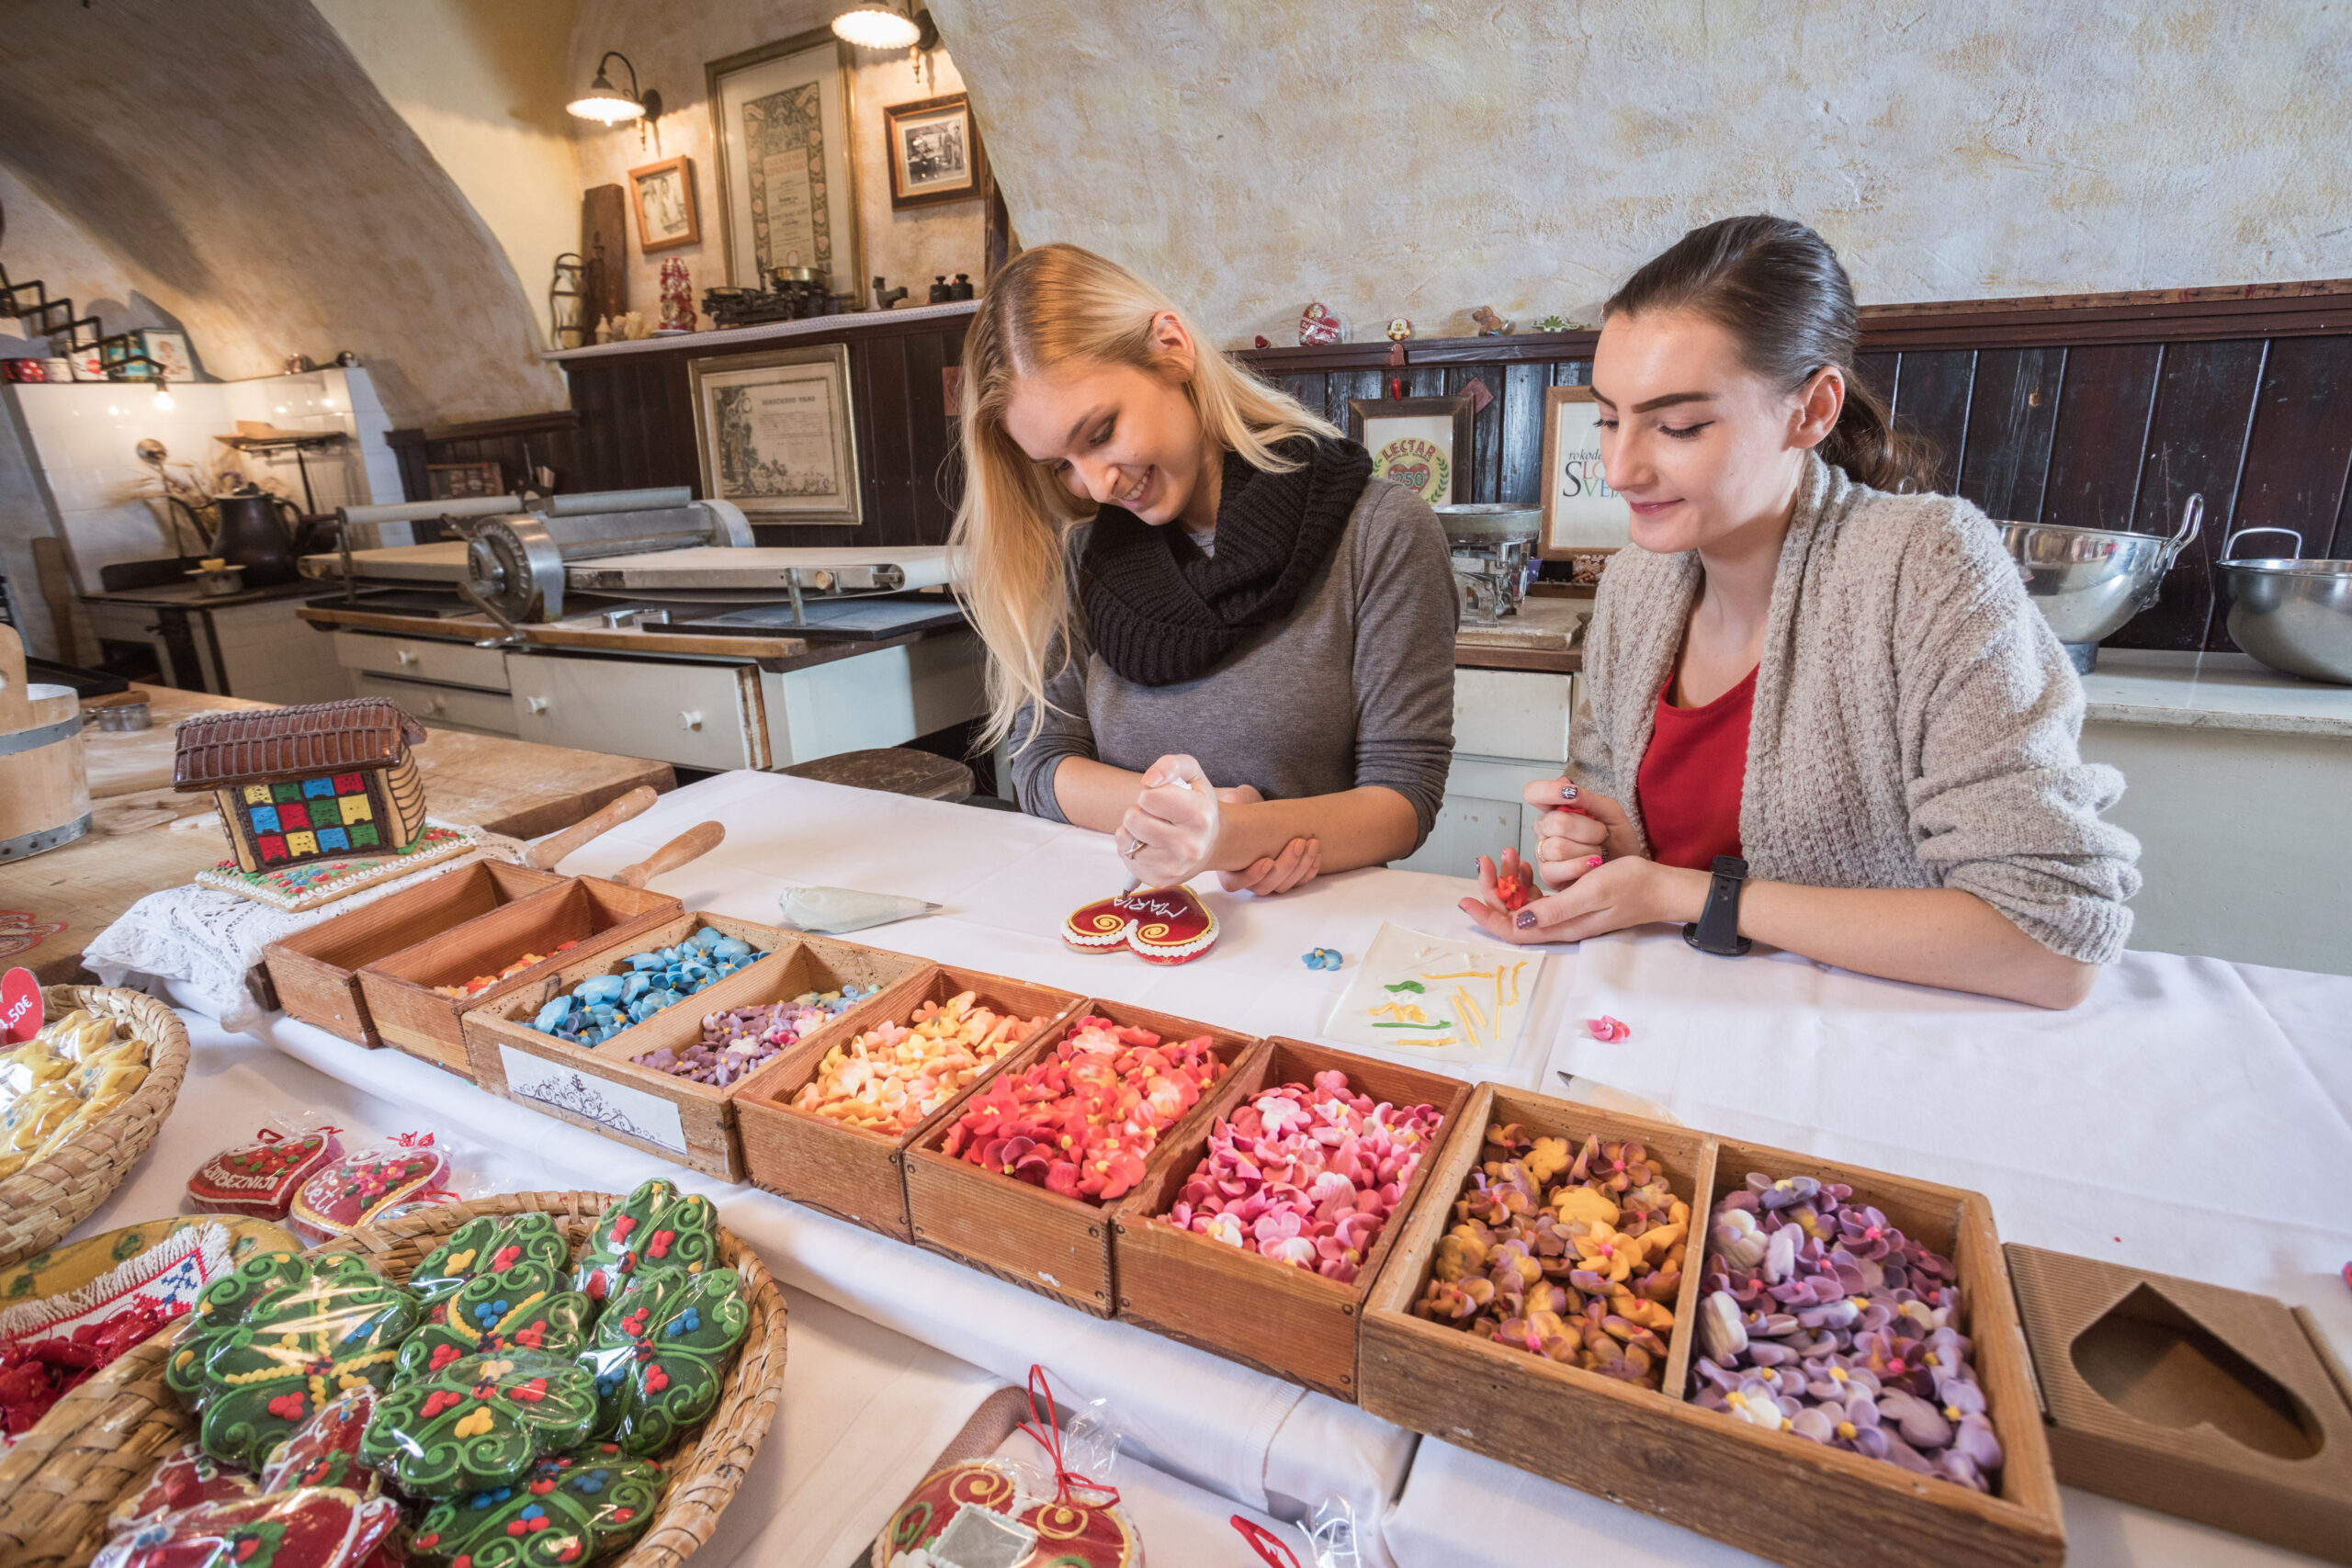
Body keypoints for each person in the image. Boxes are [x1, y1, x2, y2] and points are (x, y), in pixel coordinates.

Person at [1459, 216, 2140, 1008]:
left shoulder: (1927, 567)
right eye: (1608, 419)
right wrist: (1593, 847)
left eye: (1677, 426)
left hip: (1885, 1038)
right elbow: (1618, 838)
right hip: (1675, 1022)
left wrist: (1684, 893)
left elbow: (2053, 941)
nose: (1619, 467)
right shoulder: (1634, 587)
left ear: (1813, 409)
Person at [950, 243, 1457, 894]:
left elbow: (1404, 799)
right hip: (1128, 916)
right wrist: (1200, 818)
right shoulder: (1081, 557)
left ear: (1171, 348)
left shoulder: (1381, 531)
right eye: (1061, 466)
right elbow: (1041, 763)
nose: (1097, 486)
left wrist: (1232, 833)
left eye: (1100, 433)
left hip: (1315, 929)